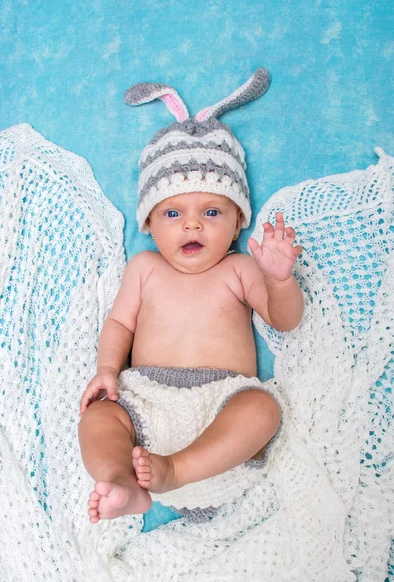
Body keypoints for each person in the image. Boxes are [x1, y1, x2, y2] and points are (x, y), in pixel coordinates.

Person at [78, 69, 304, 524]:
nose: (192, 225)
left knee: (263, 408)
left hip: (221, 405)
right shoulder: (144, 269)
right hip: (146, 402)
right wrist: (106, 371)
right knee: (98, 417)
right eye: (174, 212)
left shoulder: (239, 269)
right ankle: (121, 481)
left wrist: (280, 282)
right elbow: (120, 324)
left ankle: (176, 470)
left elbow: (285, 321)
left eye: (213, 211)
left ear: (239, 220)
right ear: (149, 222)